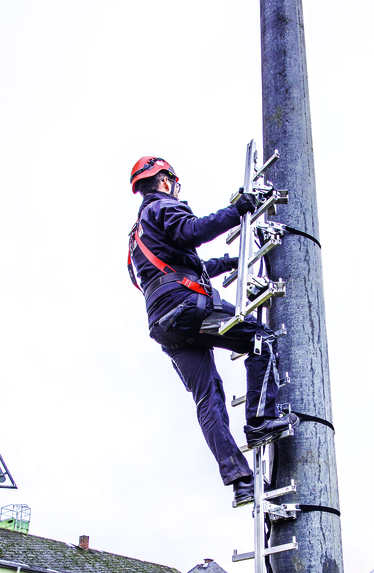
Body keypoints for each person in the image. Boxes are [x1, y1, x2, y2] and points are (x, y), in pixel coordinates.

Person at [127, 156, 298, 506]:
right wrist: (237, 209)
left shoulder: (136, 235)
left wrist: (230, 263)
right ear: (163, 179)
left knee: (208, 398)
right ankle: (261, 419)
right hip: (188, 307)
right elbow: (193, 231)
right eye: (172, 182)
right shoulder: (161, 206)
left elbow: (179, 264)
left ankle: (240, 481)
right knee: (259, 339)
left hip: (164, 324)